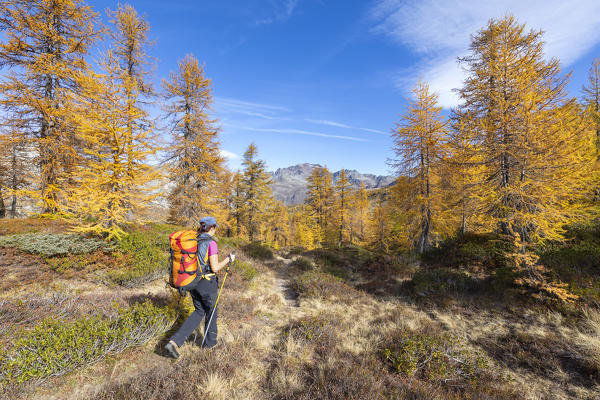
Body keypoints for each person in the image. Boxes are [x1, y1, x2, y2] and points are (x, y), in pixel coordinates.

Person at [165, 216, 235, 358]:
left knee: (199, 311)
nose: (215, 230)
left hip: (193, 282)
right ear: (212, 227)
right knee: (211, 312)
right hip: (207, 284)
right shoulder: (211, 243)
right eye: (215, 227)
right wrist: (229, 259)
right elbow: (215, 268)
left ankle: (173, 342)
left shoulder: (194, 240)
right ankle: (209, 347)